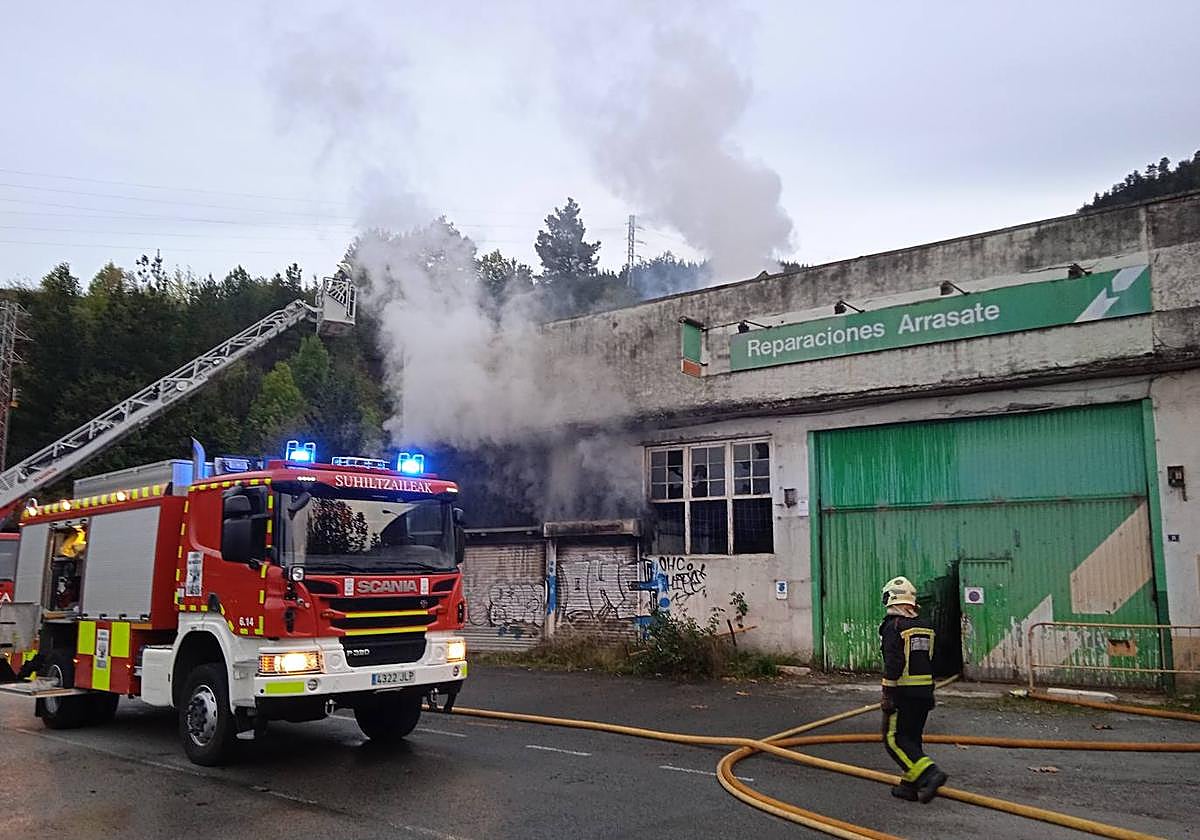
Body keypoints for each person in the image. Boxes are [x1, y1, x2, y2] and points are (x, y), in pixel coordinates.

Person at [879, 575, 948, 803]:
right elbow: (934, 659)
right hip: (924, 692)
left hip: (903, 693)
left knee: (895, 739)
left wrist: (888, 693)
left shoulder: (893, 626)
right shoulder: (925, 626)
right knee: (912, 738)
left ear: (890, 599)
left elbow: (894, 662)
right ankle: (910, 785)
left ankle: (929, 773)